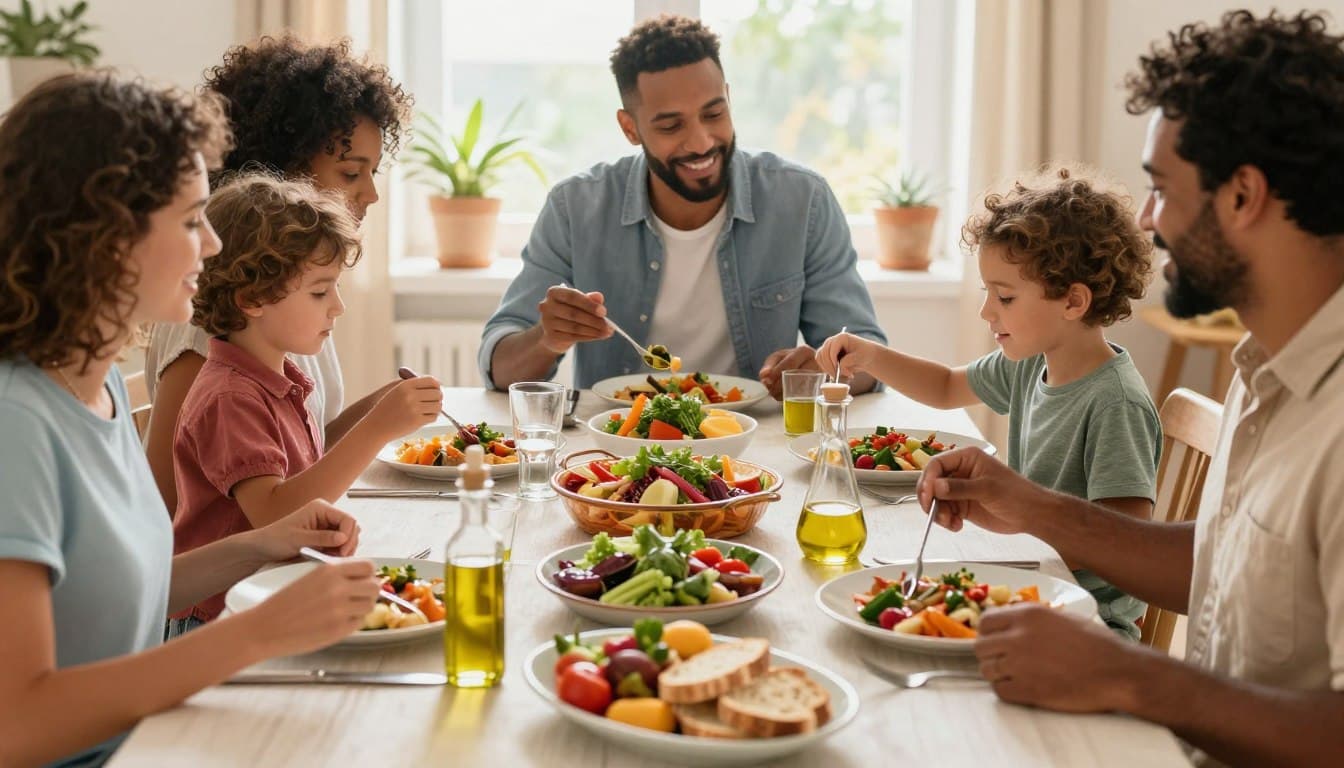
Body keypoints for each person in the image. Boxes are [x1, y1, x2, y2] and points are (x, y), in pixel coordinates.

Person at [915, 11, 1344, 765]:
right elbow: (1221, 563)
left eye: (1159, 188)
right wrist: (1029, 505)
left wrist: (1131, 676)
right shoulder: (1266, 367)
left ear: (1242, 194)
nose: (1146, 220)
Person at [0, 73, 381, 768]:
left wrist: (262, 544)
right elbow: (17, 725)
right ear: (103, 235)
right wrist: (256, 633)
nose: (210, 245)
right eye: (188, 220)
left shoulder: (100, 386)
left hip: (157, 739)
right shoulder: (17, 426)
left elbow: (130, 598)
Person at [818, 167, 1158, 638]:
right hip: (1029, 587)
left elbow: (1124, 543)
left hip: (1090, 626)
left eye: (1005, 296)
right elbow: (943, 387)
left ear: (1073, 302)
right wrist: (871, 355)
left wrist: (1010, 522)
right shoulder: (1029, 363)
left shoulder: (1115, 403)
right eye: (987, 293)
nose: (986, 311)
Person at [479, 15, 885, 398]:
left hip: (756, 446)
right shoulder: (576, 207)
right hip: (618, 449)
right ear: (629, 128)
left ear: (728, 98)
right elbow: (500, 370)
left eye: (714, 113)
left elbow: (871, 364)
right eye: (671, 125)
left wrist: (820, 367)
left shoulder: (803, 201)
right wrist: (546, 339)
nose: (701, 142)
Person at [144, 35, 414, 513]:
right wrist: (378, 426)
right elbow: (169, 506)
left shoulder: (285, 295)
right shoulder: (216, 318)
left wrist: (384, 404)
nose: (370, 195)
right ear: (281, 176)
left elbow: (294, 455)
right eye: (351, 173)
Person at [168, 174, 442, 636]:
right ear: (253, 298)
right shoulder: (230, 397)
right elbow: (276, 515)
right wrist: (377, 427)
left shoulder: (275, 376)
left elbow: (308, 468)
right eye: (320, 291)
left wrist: (380, 405)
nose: (337, 307)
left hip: (270, 601)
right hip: (218, 624)